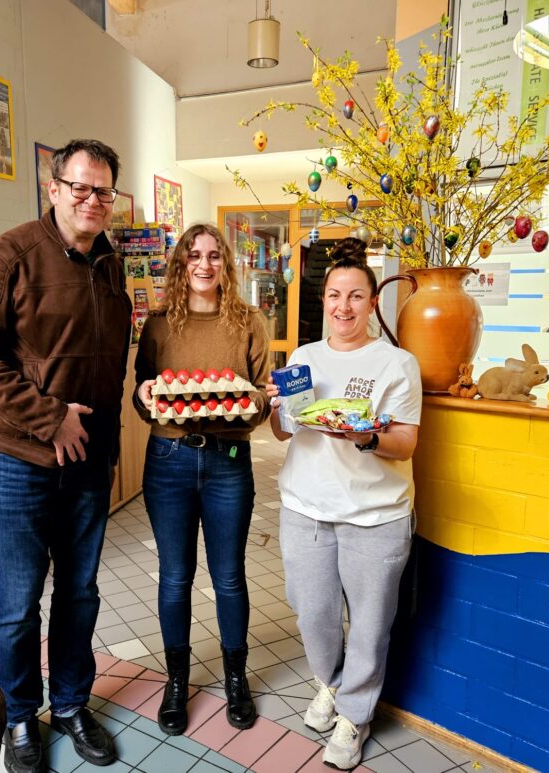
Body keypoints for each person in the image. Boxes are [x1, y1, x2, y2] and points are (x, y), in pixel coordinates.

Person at [0, 139, 131, 773]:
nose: (91, 200)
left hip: (87, 465)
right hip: (15, 463)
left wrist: (105, 447)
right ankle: (21, 717)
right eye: (80, 187)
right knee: (18, 603)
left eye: (103, 190)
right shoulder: (9, 256)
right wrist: (50, 418)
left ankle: (72, 704)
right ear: (53, 189)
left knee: (79, 594)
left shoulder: (111, 266)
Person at [265, 238, 421, 771]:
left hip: (375, 516)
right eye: (335, 295)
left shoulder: (397, 363)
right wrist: (278, 408)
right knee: (313, 615)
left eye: (356, 296)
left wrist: (367, 437)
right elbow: (285, 432)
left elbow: (406, 442)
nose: (344, 306)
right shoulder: (304, 358)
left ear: (373, 302)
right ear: (324, 299)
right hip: (305, 508)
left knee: (371, 625)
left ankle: (355, 715)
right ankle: (331, 683)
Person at [133, 223, 271, 736]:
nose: (205, 264)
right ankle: (176, 681)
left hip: (228, 459)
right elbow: (143, 393)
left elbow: (262, 394)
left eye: (214, 255)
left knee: (229, 575)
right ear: (181, 264)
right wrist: (144, 395)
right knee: (175, 576)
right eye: (194, 255)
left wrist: (255, 403)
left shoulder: (249, 322)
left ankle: (236, 677)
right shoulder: (158, 324)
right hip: (169, 459)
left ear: (225, 264)